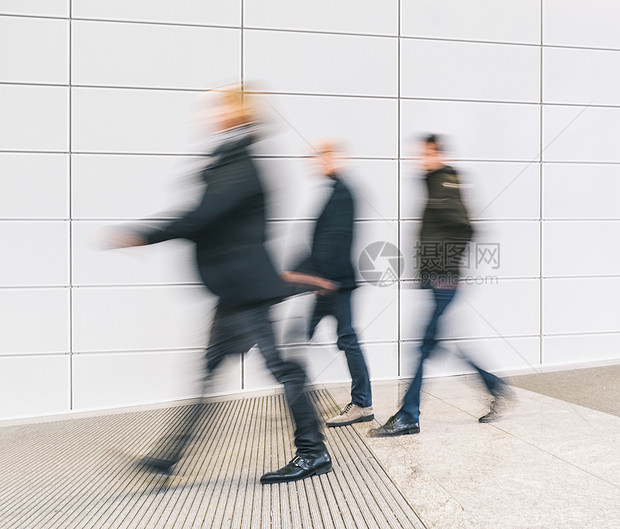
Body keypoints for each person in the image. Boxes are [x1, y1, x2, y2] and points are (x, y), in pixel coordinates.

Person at [108, 85, 333, 484]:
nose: (210, 113)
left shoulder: (241, 165)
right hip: (233, 291)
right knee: (210, 371)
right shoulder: (230, 159)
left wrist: (144, 234)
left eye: (219, 107)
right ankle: (170, 456)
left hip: (246, 294)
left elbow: (201, 217)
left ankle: (313, 453)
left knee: (281, 369)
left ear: (237, 114)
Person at [368, 134, 513, 438]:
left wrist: (445, 265)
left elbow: (466, 227)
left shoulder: (444, 181)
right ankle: (496, 387)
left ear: (437, 154)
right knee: (437, 345)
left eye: (425, 154)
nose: (419, 159)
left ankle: (409, 416)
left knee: (423, 348)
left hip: (446, 279)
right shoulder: (434, 182)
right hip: (439, 280)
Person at [285, 140, 374, 428]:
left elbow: (335, 240)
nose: (317, 163)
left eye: (323, 158)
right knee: (306, 335)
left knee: (346, 339)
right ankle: (299, 396)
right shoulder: (336, 191)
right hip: (329, 282)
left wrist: (321, 279)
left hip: (334, 283)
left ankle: (362, 404)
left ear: (335, 159)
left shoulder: (342, 193)